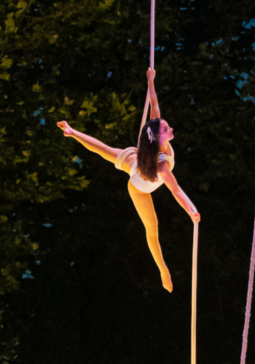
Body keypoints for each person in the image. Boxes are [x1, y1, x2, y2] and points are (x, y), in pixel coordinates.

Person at [57, 68, 200, 292]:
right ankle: (163, 269)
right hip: (139, 186)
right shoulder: (162, 165)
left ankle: (73, 133)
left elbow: (154, 103)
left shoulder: (155, 134)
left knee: (106, 151)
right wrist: (191, 210)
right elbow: (176, 191)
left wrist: (150, 81)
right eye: (167, 128)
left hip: (138, 158)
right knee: (152, 228)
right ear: (160, 136)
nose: (171, 128)